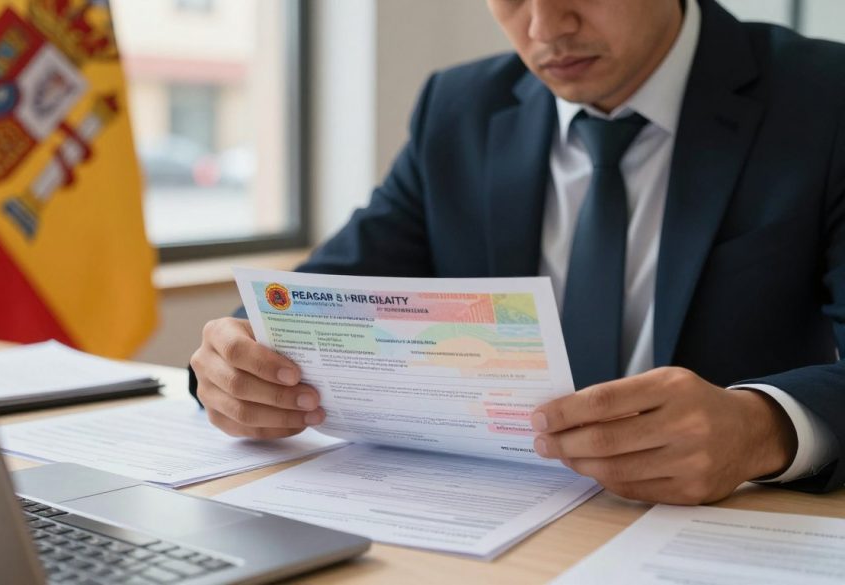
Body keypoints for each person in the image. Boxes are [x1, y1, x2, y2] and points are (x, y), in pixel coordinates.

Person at [189, 0, 845, 504]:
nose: (544, 27)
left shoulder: (824, 99)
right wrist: (233, 362)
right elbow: (319, 301)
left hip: (725, 529)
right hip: (497, 520)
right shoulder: (459, 110)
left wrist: (760, 428)